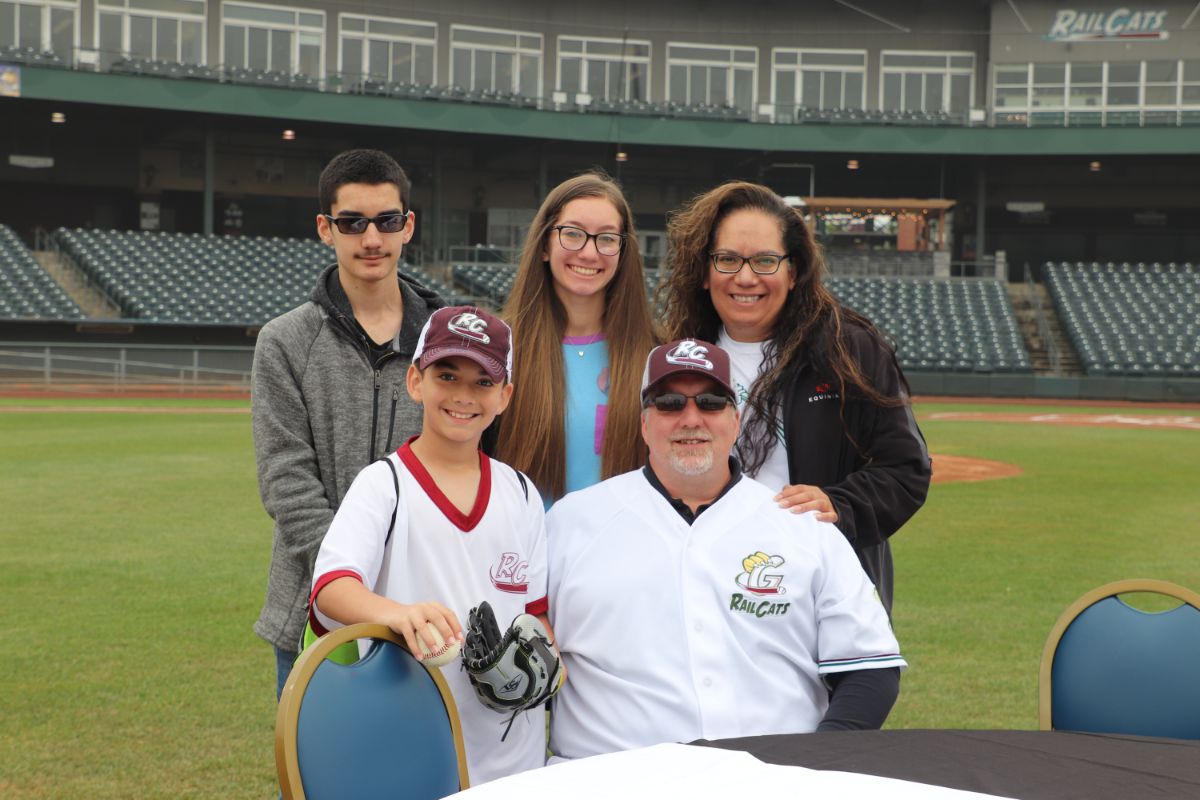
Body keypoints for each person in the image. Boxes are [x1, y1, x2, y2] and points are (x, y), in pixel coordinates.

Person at [546, 339, 905, 760]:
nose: (690, 419)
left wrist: (812, 763)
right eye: (669, 403)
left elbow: (870, 668)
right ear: (644, 423)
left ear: (735, 421)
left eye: (711, 403)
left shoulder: (802, 525)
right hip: (606, 778)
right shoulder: (572, 523)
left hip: (769, 778)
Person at [309, 306, 557, 784]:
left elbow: (534, 611)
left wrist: (546, 659)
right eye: (447, 375)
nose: (464, 395)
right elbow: (331, 588)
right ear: (415, 381)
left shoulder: (522, 492)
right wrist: (398, 614)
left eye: (483, 382)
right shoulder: (384, 484)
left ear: (504, 396)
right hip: (411, 739)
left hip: (512, 752)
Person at [659, 182, 930, 613]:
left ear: (793, 271)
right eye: (727, 259)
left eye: (765, 260)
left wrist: (839, 505)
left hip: (818, 593)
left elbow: (906, 469)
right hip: (708, 589)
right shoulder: (679, 357)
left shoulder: (848, 350)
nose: (745, 277)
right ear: (704, 271)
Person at [252, 149, 443, 699]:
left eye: (386, 221)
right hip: (314, 615)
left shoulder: (447, 339)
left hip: (426, 611)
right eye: (352, 222)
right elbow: (288, 483)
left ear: (408, 226)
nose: (372, 238)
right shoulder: (285, 341)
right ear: (325, 228)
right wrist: (352, 585)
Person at [492, 172, 657, 503]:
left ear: (623, 251)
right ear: (544, 245)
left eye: (606, 238)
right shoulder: (499, 349)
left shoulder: (656, 355)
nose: (589, 253)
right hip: (526, 536)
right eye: (572, 234)